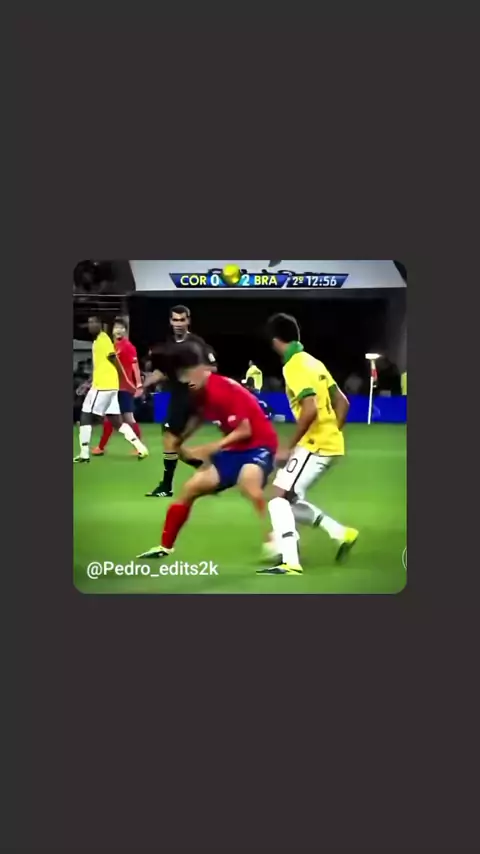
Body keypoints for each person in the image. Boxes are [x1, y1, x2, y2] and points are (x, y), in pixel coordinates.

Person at [137, 342, 278, 560]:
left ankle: (277, 538)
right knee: (190, 489)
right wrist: (181, 440)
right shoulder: (200, 391)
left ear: (203, 369)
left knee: (249, 484)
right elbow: (201, 415)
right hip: (234, 450)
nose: (188, 382)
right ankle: (165, 547)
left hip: (259, 445)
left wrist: (209, 448)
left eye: (190, 375)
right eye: (184, 377)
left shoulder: (223, 389)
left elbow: (245, 430)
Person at [258, 313, 358, 575]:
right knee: (285, 497)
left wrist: (289, 446)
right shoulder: (313, 362)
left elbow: (310, 408)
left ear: (275, 340)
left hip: (315, 444)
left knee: (278, 501)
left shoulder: (294, 366)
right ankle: (340, 533)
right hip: (323, 442)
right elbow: (343, 402)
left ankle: (290, 560)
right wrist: (332, 432)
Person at [143, 305, 217, 497]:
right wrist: (143, 385)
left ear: (188, 321)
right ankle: (205, 469)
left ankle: (167, 486)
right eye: (175, 320)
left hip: (192, 395)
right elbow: (162, 372)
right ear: (170, 321)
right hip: (177, 395)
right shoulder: (168, 345)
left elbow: (212, 368)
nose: (178, 324)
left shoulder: (197, 344)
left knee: (171, 439)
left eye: (182, 319)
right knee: (173, 442)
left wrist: (196, 376)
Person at [73, 316, 149, 463]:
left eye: (94, 323)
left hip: (105, 386)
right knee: (116, 421)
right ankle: (140, 447)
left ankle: (84, 453)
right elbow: (101, 366)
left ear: (101, 325)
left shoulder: (106, 341)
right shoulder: (104, 342)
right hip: (111, 386)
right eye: (89, 323)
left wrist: (131, 382)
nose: (91, 326)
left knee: (86, 415)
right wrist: (89, 382)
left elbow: (117, 362)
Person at [92, 318, 144, 455]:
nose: (118, 330)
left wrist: (139, 385)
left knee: (128, 418)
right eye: (116, 327)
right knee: (109, 418)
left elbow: (135, 366)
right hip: (112, 386)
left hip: (125, 388)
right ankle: (101, 447)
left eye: (121, 328)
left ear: (125, 330)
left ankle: (139, 447)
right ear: (112, 330)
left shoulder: (128, 346)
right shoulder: (112, 346)